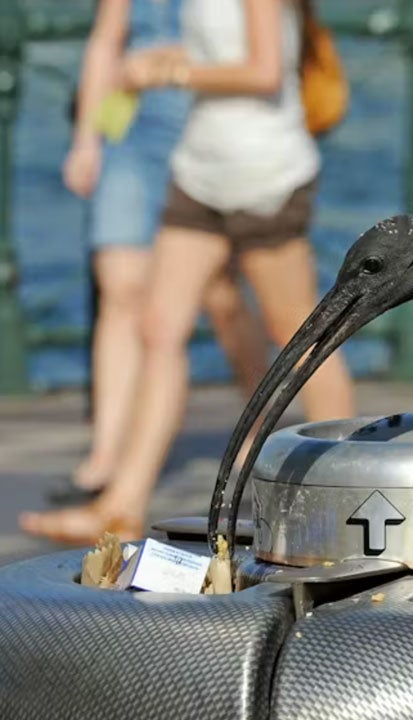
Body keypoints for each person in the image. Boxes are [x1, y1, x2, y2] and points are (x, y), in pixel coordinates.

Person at [22, 0, 356, 544]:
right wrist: (167, 59)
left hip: (263, 175)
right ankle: (120, 507)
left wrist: (172, 72)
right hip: (199, 172)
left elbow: (264, 70)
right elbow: (215, 50)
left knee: (298, 332)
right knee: (159, 327)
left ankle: (343, 491)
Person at [51, 0, 268, 507]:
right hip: (130, 121)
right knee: (121, 283)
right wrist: (87, 140)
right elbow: (108, 38)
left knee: (219, 293)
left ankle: (259, 430)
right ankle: (106, 454)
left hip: (204, 113)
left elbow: (263, 47)